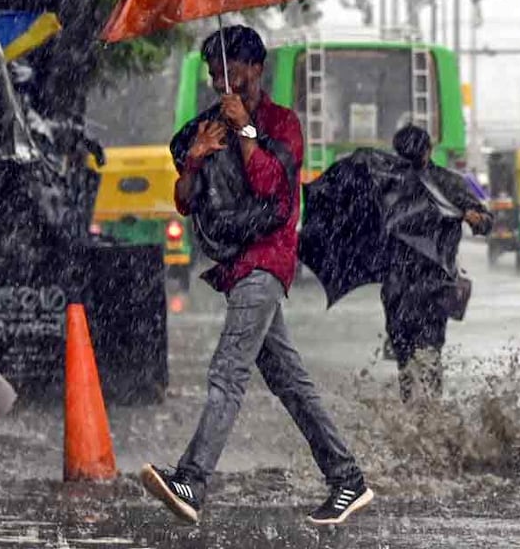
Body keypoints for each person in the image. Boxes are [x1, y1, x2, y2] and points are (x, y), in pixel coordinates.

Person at [140, 26, 372, 527]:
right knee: (291, 383)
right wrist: (197, 158)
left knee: (228, 372)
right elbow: (185, 201)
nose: (223, 81)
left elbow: (272, 188)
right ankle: (347, 478)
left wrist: (245, 129)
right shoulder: (205, 126)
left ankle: (192, 480)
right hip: (235, 266)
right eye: (214, 73)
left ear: (256, 69)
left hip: (267, 261)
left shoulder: (282, 124)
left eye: (232, 70)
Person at [381, 124, 492, 402]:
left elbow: (486, 221)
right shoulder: (391, 186)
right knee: (416, 357)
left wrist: (475, 217)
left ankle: (421, 415)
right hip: (408, 286)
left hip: (425, 286)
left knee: (419, 356)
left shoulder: (443, 184)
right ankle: (427, 417)